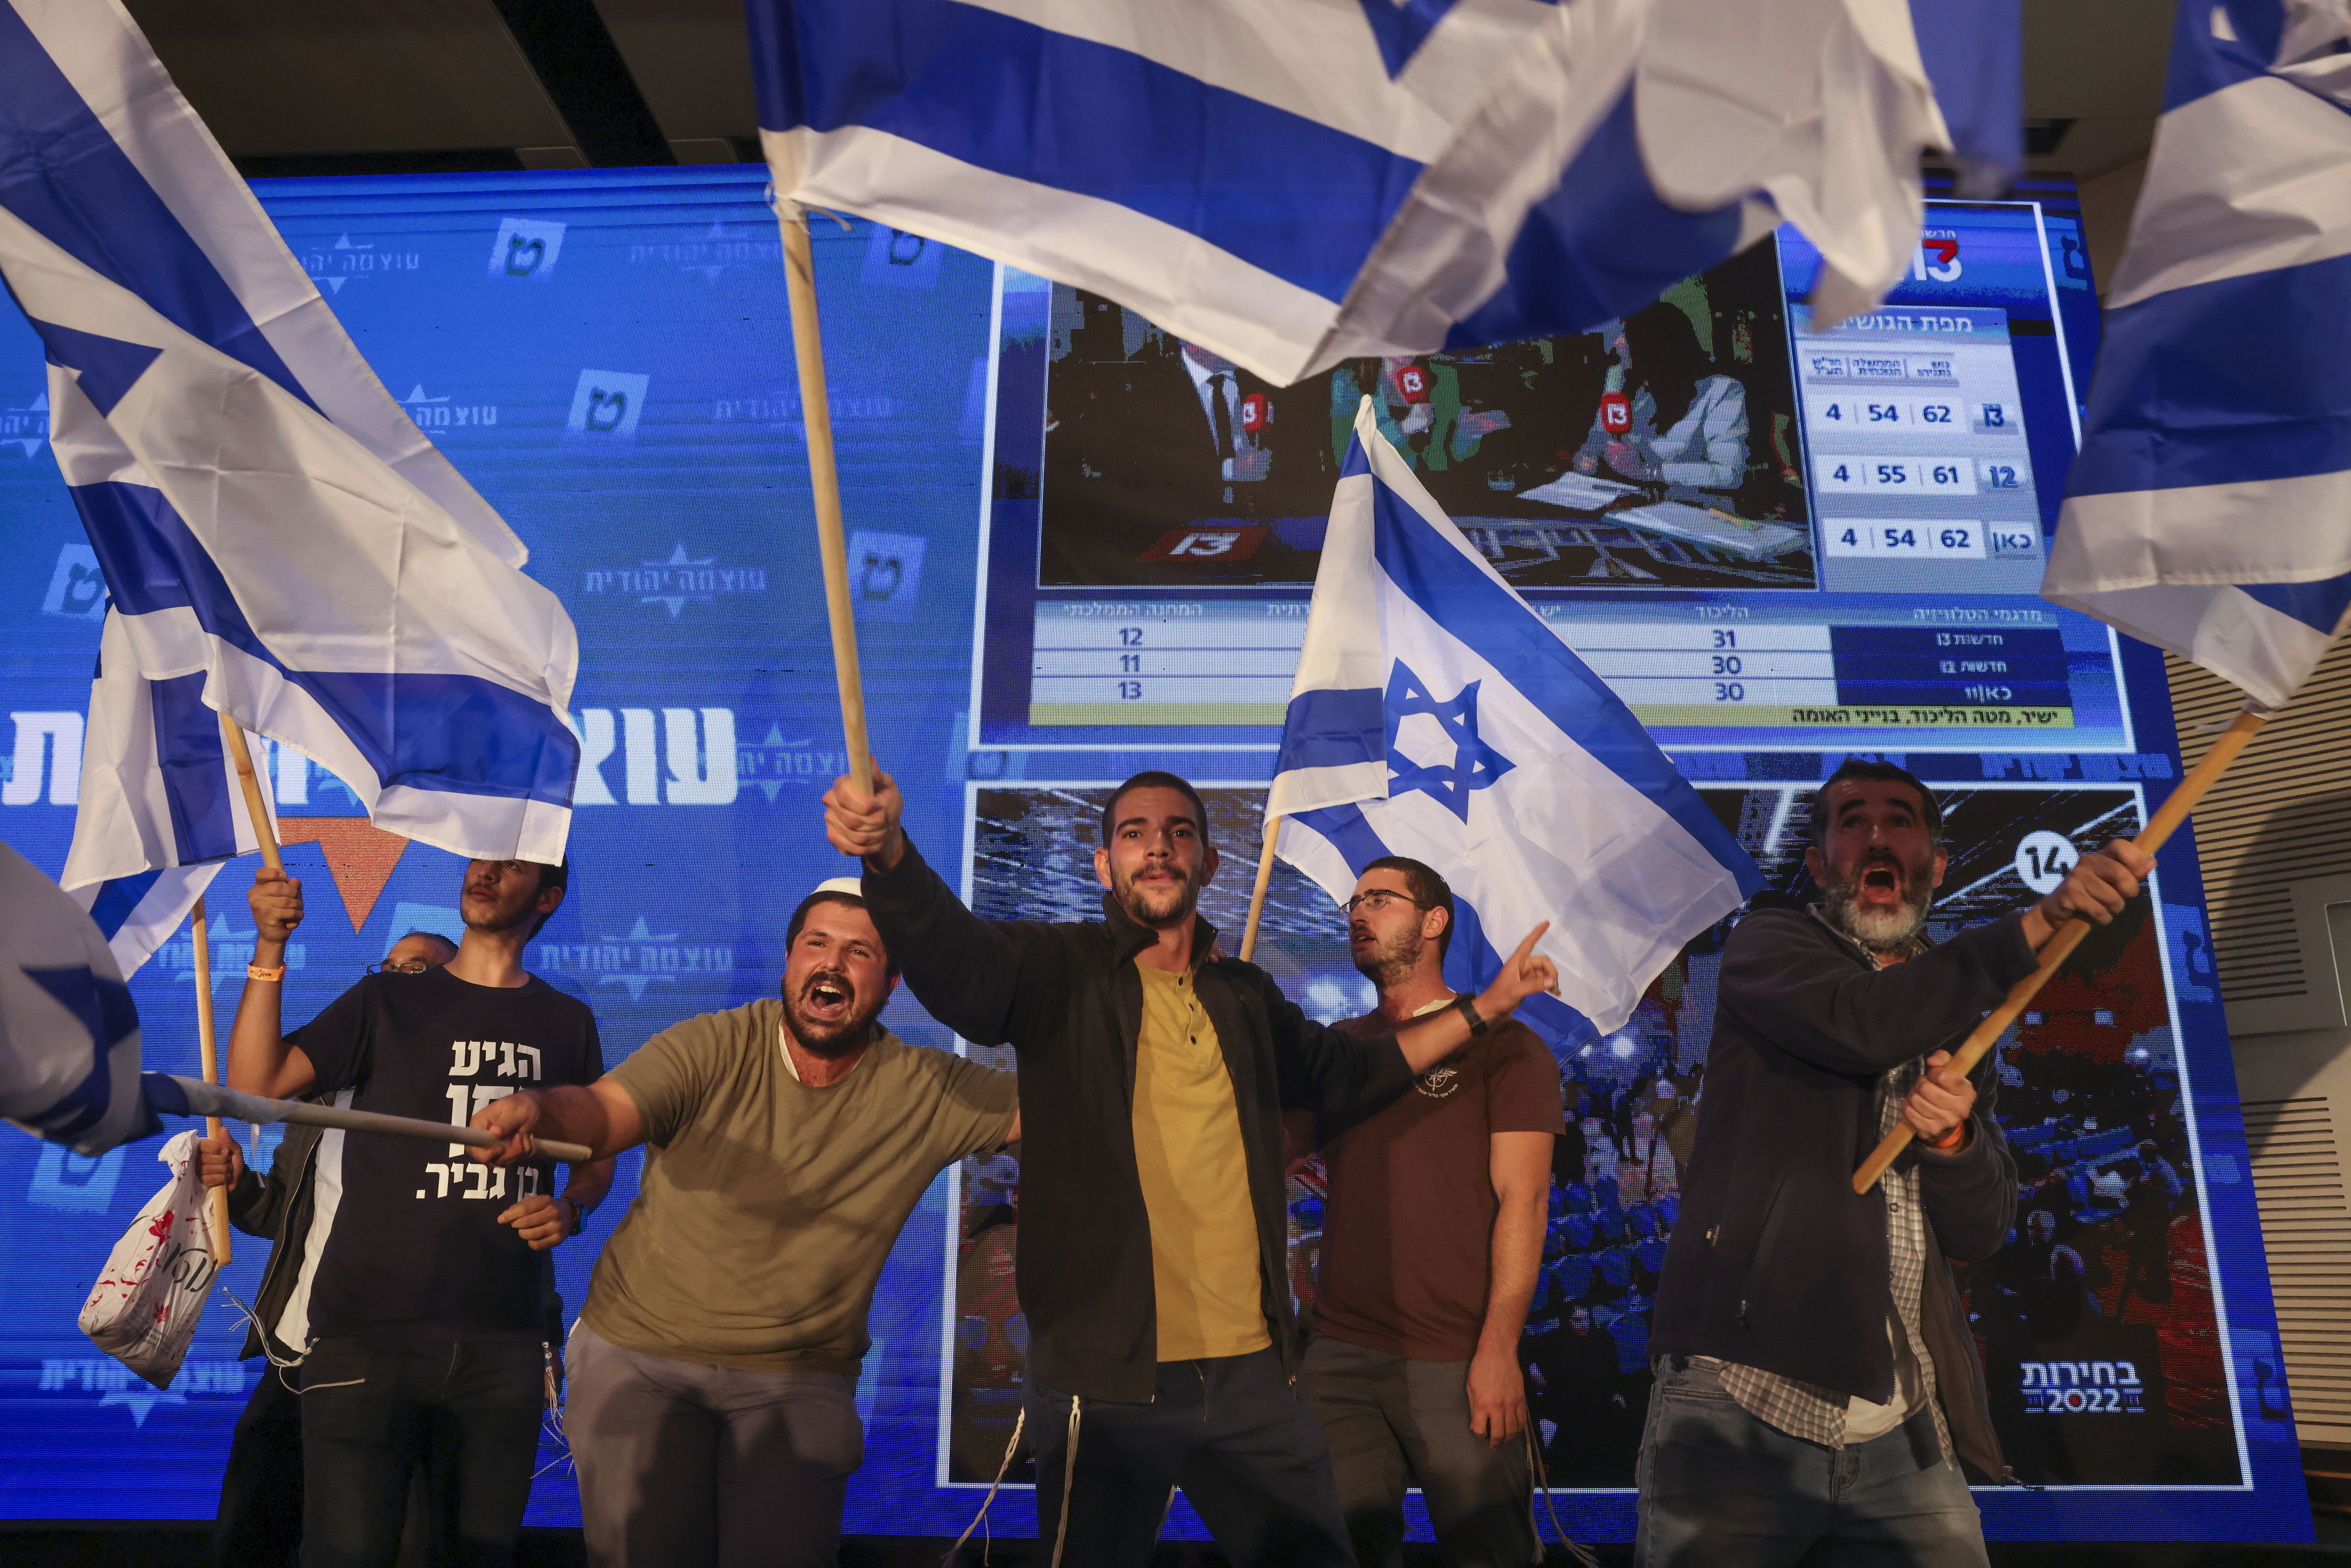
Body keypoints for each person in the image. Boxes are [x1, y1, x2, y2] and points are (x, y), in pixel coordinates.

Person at [823, 766, 1561, 1568]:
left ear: (1208, 864)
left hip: (1250, 1378)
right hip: (1105, 1379)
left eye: (1179, 832)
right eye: (1133, 833)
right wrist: (889, 856)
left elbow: (1348, 1073)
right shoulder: (1053, 968)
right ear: (1103, 865)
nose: (1157, 847)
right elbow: (956, 961)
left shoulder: (1244, 995)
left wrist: (1486, 1008)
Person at [1639, 758, 2153, 1566]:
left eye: (1900, 821)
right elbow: (1865, 1022)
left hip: (1901, 1423)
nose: (1877, 836)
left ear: (1937, 865)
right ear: (1818, 865)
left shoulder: (1964, 1014)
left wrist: (1952, 1143)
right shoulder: (1769, 943)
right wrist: (2039, 920)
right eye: (1852, 822)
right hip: (1742, 1403)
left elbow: (1981, 1228)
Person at [465, 881, 1020, 1568]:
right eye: (816, 943)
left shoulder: (926, 1087)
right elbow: (603, 1113)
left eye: (859, 951)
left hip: (800, 1374)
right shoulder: (712, 1045)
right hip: (641, 1354)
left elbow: (1066, 1109)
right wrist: (540, 1110)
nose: (831, 963)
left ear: (893, 981)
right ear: (789, 962)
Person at [225, 857, 613, 1568]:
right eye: (481, 857)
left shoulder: (567, 1020)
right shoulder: (385, 999)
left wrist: (573, 1207)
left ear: (550, 896)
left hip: (503, 1348)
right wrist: (270, 945)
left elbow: (599, 1152)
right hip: (366, 1339)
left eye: (512, 865)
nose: (486, 871)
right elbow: (257, 1084)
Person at [1295, 856, 1560, 1568]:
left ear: (1435, 920)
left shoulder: (1507, 1046)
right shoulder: (1341, 1047)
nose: (1358, 913)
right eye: (1353, 903)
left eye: (1379, 899)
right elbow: (1273, 1149)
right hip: (1338, 1356)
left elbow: (1525, 1201)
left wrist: (1498, 1348)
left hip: (1456, 1358)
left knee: (1491, 1555)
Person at [198, 929, 457, 1568]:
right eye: (387, 966)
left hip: (412, 1362)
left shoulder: (464, 1102)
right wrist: (238, 1186)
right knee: (249, 1535)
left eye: (416, 969)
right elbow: (285, 1211)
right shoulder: (325, 1091)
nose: (394, 978)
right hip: (300, 1352)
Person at [1572, 301, 1749, 506]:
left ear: (1657, 343)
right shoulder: (1626, 384)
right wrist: (1587, 457)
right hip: (1626, 504)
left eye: (1627, 335)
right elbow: (1598, 439)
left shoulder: (1722, 390)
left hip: (1692, 511)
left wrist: (1652, 472)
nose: (1618, 344)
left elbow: (1729, 473)